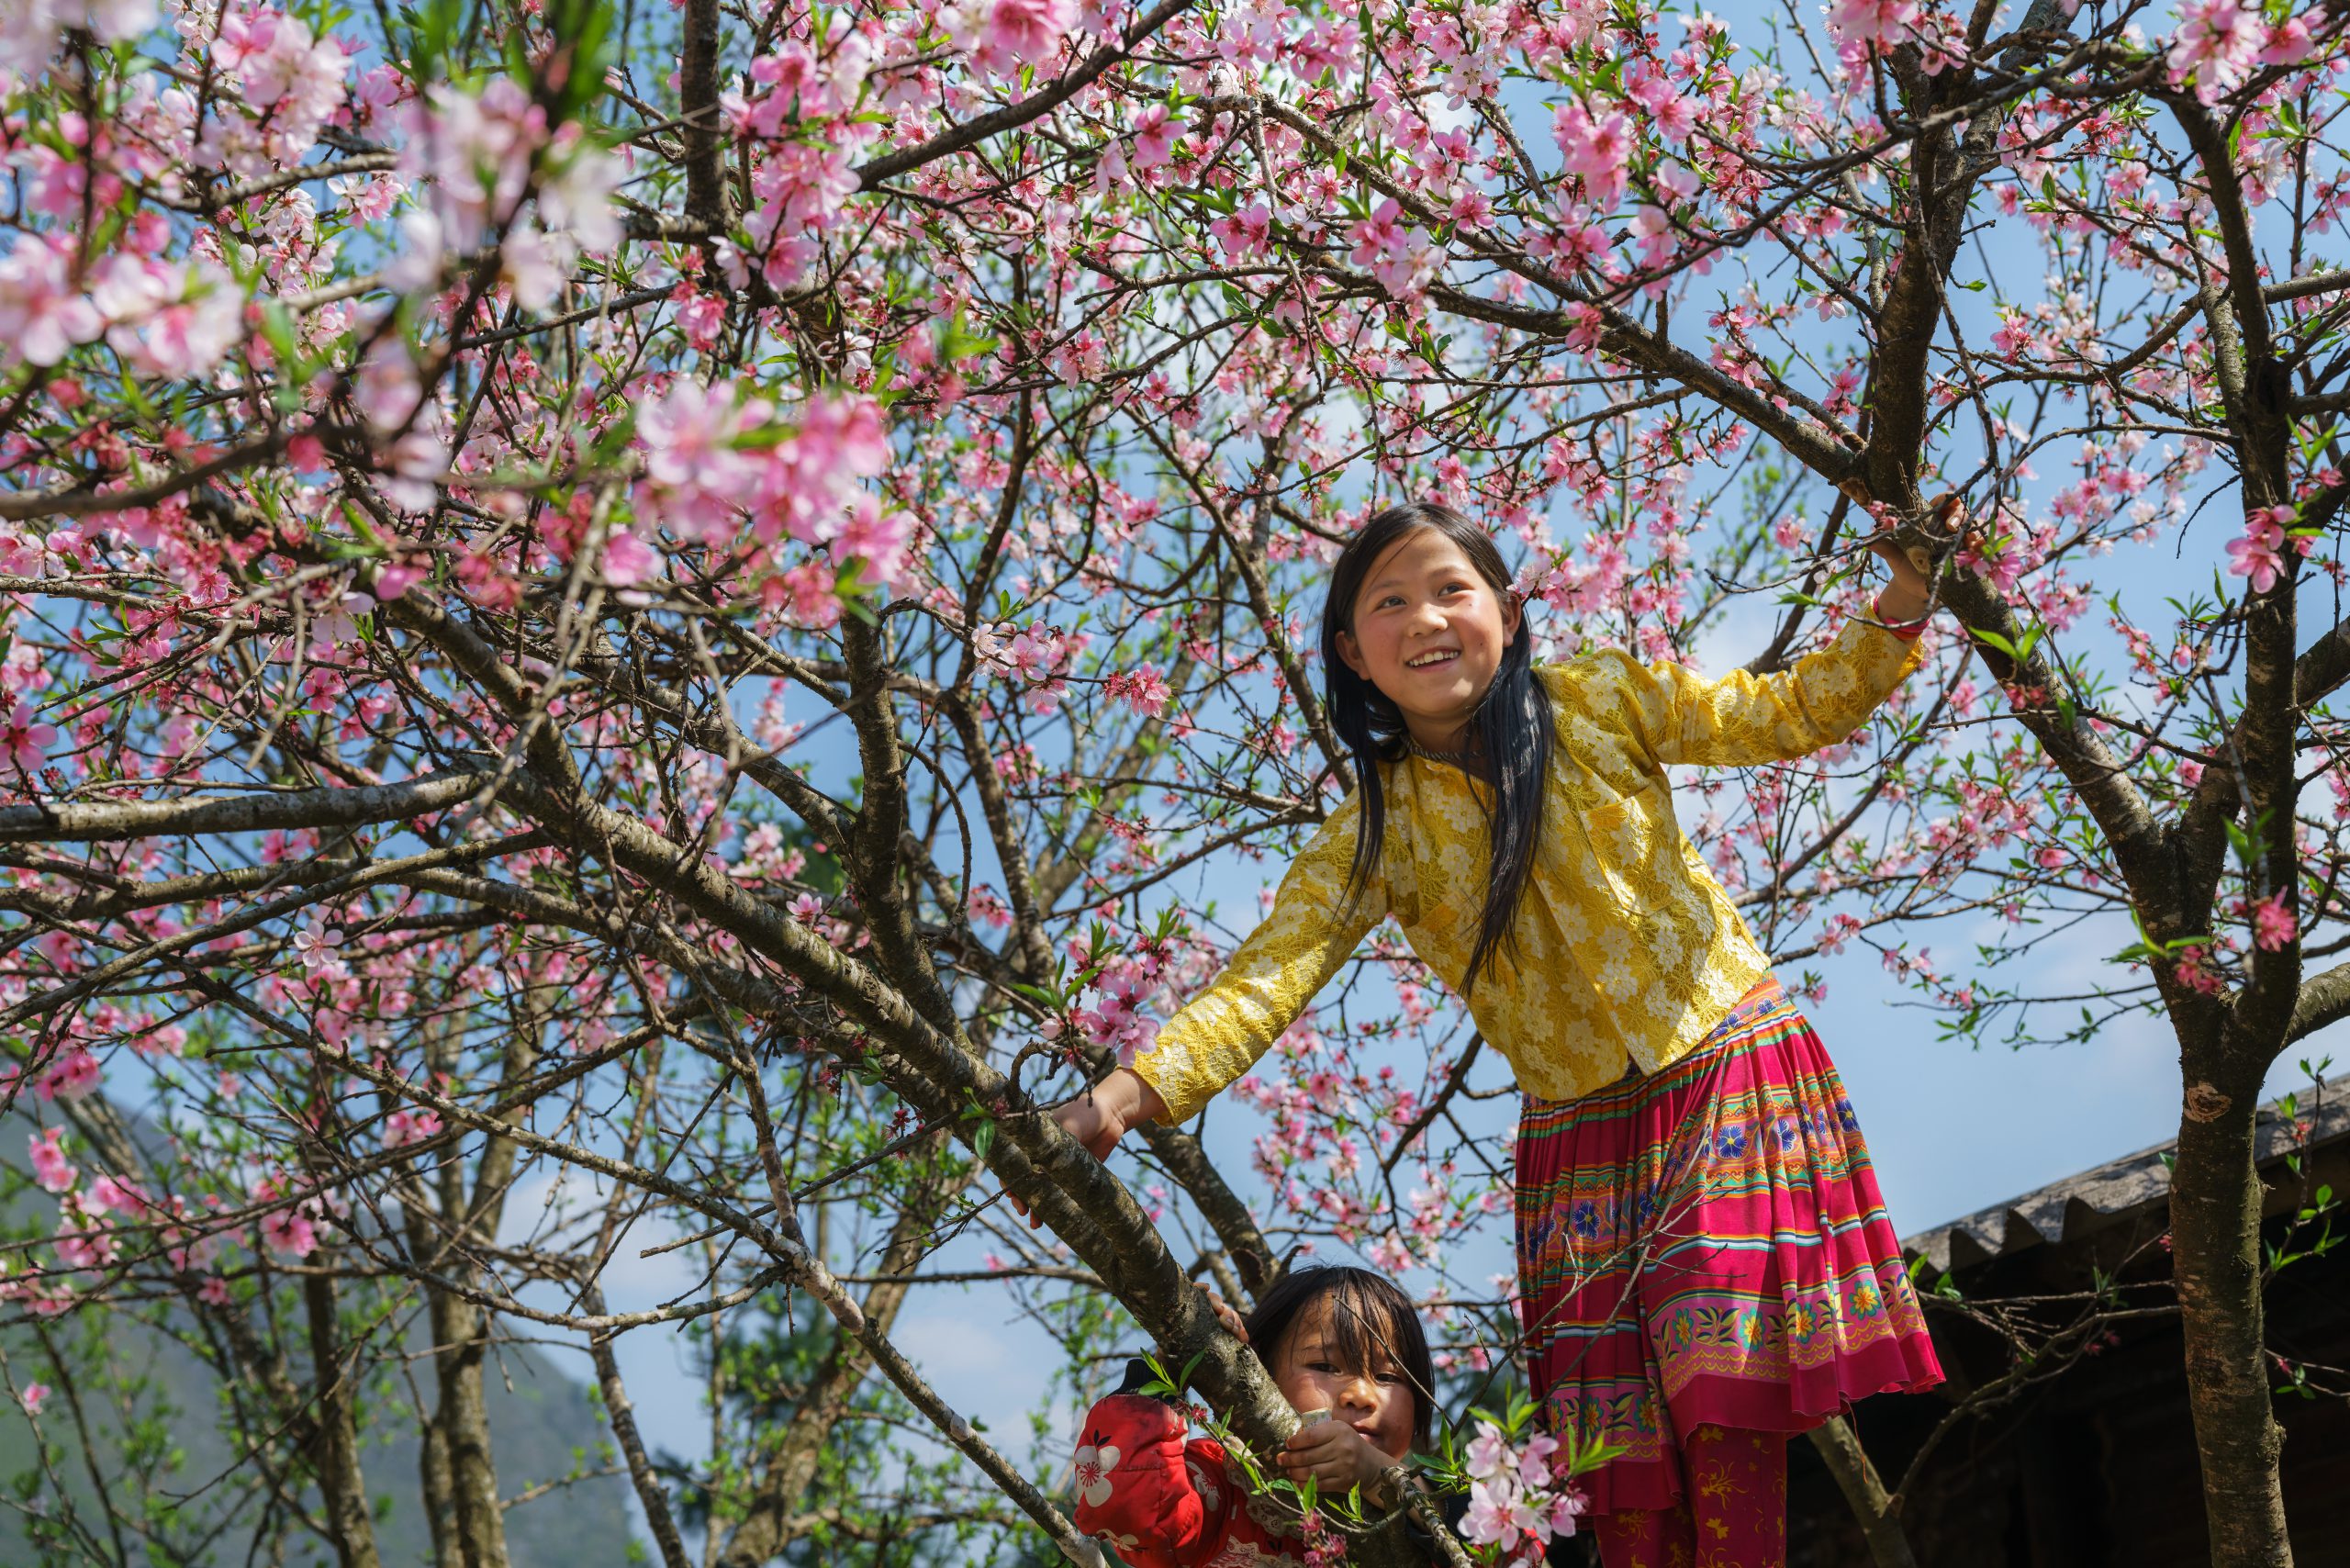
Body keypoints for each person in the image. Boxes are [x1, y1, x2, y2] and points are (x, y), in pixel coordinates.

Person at [1045, 498, 1947, 1567]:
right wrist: (1121, 1092)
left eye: (1450, 590)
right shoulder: (1374, 830)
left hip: (1721, 1067)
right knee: (1625, 1464)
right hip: (1580, 1141)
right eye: (1389, 602)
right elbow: (1262, 983)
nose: (1425, 618)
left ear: (1509, 615)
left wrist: (1902, 597)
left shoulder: (1602, 696)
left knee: (1721, 1391)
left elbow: (1786, 708)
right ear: (1351, 652)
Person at [1071, 1265, 1453, 1566]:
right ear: (1261, 1374)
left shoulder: (1444, 1504)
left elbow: (1484, 1549)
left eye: (1388, 1376)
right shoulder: (1226, 1483)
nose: (1361, 1395)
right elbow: (1127, 1506)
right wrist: (1172, 1367)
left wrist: (1377, 1476)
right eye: (1324, 1365)